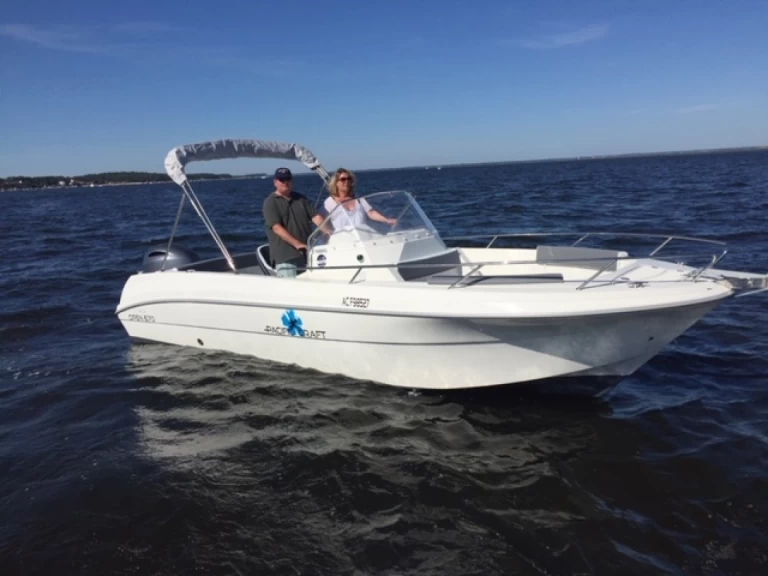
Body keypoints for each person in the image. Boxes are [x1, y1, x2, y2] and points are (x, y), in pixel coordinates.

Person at [262, 167, 326, 278]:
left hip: (307, 254)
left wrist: (330, 232)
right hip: (286, 258)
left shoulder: (301, 199)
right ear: (275, 182)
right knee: (292, 287)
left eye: (288, 179)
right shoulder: (270, 202)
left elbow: (316, 217)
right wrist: (298, 244)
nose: (285, 182)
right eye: (282, 180)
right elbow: (276, 227)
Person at [324, 168, 396, 230]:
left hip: (362, 237)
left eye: (349, 179)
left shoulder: (358, 199)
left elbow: (371, 213)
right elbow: (320, 219)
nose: (347, 181)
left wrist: (387, 220)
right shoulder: (330, 201)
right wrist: (328, 232)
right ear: (336, 183)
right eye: (343, 179)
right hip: (342, 239)